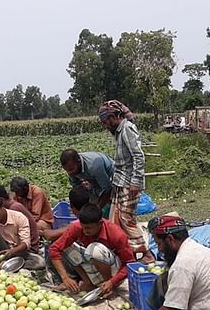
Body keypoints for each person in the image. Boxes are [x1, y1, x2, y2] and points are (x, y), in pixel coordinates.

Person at [98, 100, 155, 264]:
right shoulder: (119, 130)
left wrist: (135, 182)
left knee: (126, 219)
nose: (105, 125)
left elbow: (138, 156)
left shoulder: (127, 128)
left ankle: (144, 254)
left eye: (105, 121)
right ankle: (126, 252)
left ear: (114, 117)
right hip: (120, 181)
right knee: (117, 218)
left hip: (129, 182)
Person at [48, 203, 135, 297]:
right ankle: (87, 282)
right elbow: (54, 249)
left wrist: (112, 282)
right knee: (67, 247)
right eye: (83, 227)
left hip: (113, 270)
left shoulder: (117, 234)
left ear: (100, 224)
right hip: (92, 264)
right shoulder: (77, 227)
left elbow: (129, 264)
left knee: (95, 249)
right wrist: (65, 278)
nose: (85, 231)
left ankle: (107, 286)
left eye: (89, 228)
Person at [0, 195, 44, 269]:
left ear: (2, 207)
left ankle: (9, 266)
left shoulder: (19, 217)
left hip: (19, 252)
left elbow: (26, 243)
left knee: (40, 263)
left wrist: (12, 251)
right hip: (2, 254)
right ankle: (2, 264)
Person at [0, 183, 40, 253]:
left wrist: (11, 251)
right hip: (12, 248)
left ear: (0, 201)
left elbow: (23, 242)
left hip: (25, 248)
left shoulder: (14, 209)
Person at [60, 148, 114, 218]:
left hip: (111, 178)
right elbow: (76, 188)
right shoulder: (72, 167)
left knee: (111, 204)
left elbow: (107, 189)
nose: (70, 173)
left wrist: (95, 210)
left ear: (79, 161)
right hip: (94, 180)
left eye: (71, 169)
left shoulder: (94, 166)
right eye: (67, 170)